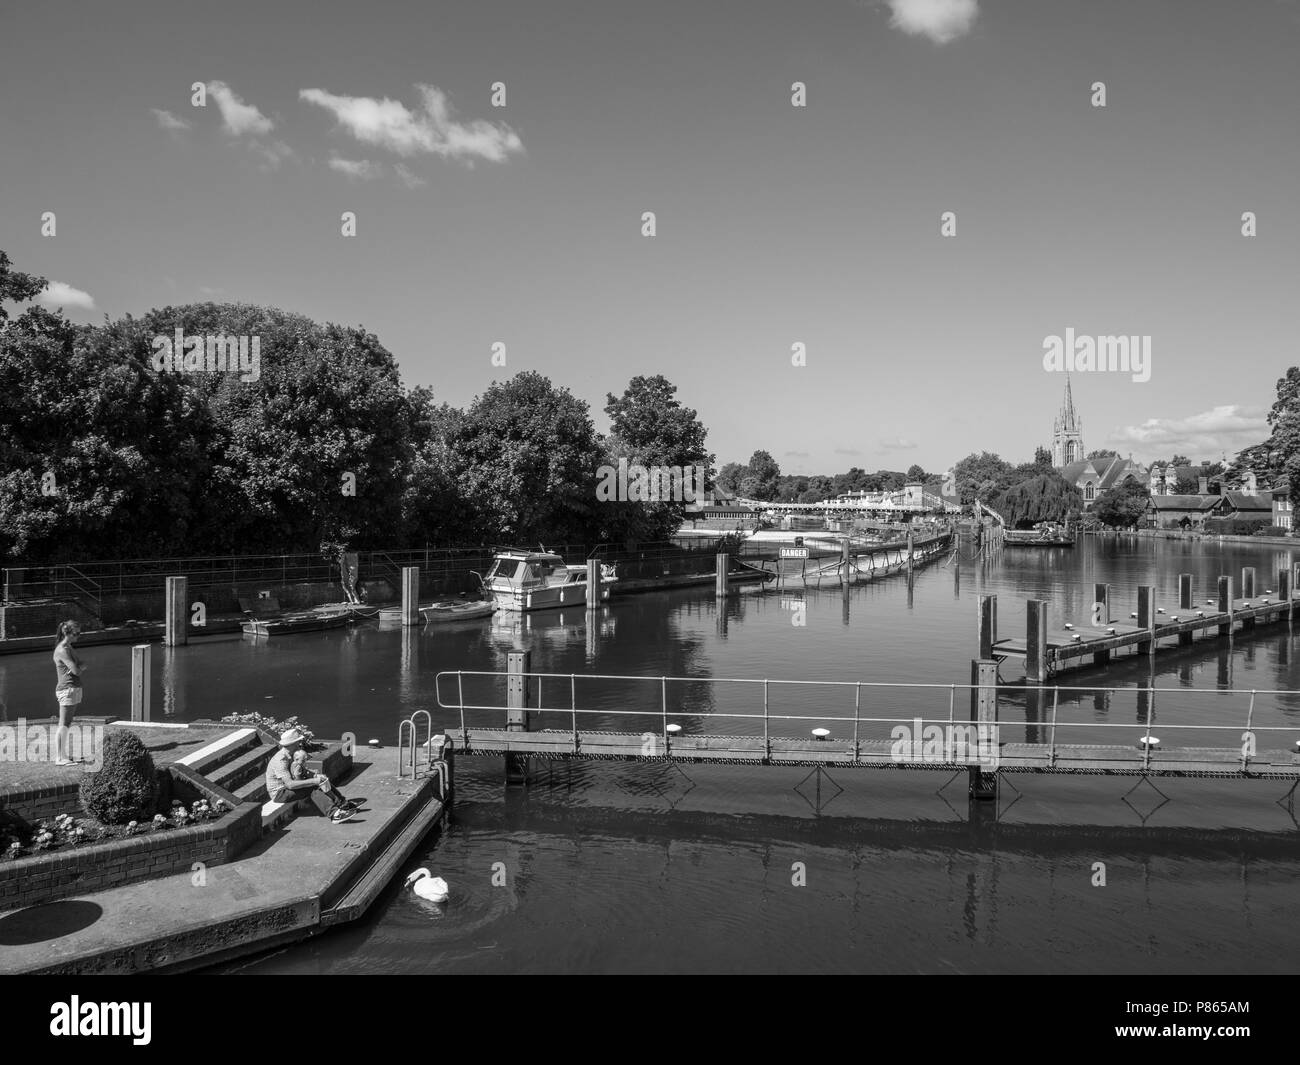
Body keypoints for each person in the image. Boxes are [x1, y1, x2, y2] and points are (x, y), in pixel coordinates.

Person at [265, 728, 356, 823]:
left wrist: (316, 775)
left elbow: (302, 770)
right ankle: (334, 814)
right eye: (298, 741)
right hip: (280, 793)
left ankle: (343, 804)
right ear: (292, 744)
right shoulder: (281, 760)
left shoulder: (293, 754)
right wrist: (314, 781)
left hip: (288, 788)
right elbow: (289, 784)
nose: (300, 743)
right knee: (312, 787)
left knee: (321, 780)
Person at [52, 620, 86, 766]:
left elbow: (80, 665)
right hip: (67, 689)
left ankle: (64, 755)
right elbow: (77, 669)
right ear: (67, 633)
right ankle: (59, 758)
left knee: (67, 723)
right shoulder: (62, 650)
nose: (78, 636)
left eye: (79, 633)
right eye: (76, 633)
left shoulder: (69, 647)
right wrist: (81, 667)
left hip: (73, 688)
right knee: (63, 723)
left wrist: (80, 667)